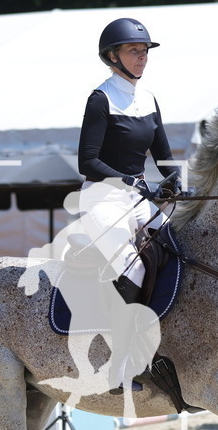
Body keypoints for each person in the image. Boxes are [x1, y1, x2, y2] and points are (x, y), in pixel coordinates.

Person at [76, 17, 181, 302]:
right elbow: (87, 162)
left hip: (136, 199)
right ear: (113, 56)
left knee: (178, 250)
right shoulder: (101, 98)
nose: (142, 57)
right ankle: (122, 339)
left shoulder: (148, 99)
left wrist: (178, 183)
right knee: (133, 269)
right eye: (134, 50)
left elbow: (164, 156)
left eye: (144, 50)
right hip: (102, 199)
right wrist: (133, 183)